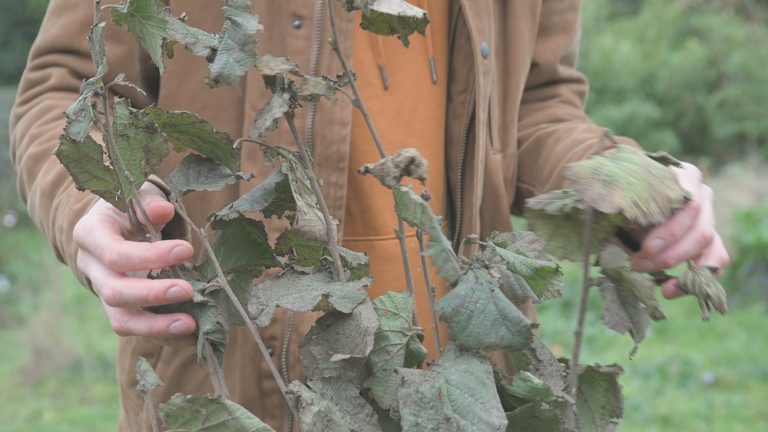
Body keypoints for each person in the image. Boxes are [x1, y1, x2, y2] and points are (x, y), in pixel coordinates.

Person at [10, 0, 729, 430]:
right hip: (227, 380)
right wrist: (85, 202)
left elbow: (535, 104)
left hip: (459, 383)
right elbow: (65, 90)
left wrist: (625, 183)